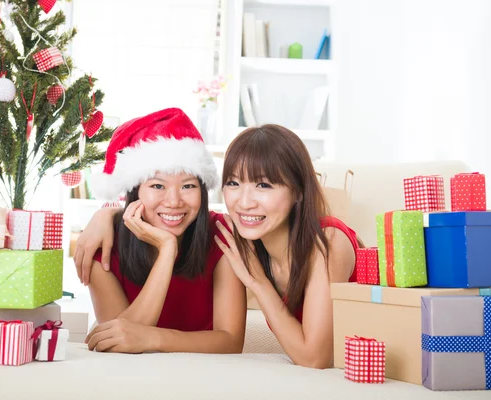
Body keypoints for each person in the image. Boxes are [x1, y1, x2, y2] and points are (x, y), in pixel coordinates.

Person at [76, 124, 358, 368]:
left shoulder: (327, 242)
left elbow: (314, 358)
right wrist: (106, 215)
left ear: (298, 191)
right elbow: (116, 339)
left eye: (264, 186)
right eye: (234, 183)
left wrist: (257, 282)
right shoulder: (245, 236)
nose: (244, 202)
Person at [83, 108, 246, 355]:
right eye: (157, 185)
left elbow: (231, 342)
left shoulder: (221, 234)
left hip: (204, 376)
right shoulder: (103, 244)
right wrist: (167, 250)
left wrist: (154, 338)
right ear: (135, 191)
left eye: (188, 186)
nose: (174, 201)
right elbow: (116, 345)